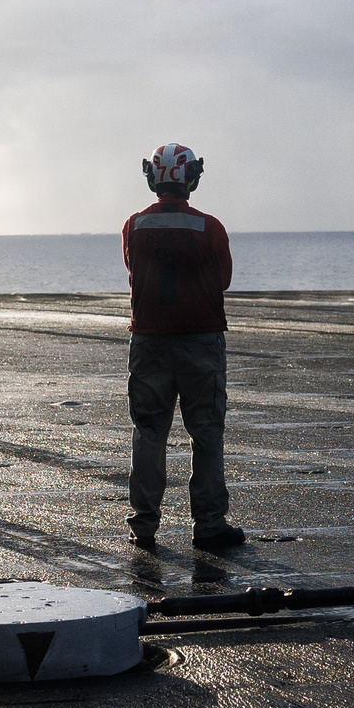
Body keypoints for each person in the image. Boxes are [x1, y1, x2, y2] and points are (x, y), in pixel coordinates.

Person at [121, 142, 245, 551]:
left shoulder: (133, 226)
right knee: (206, 433)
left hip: (149, 342)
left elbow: (131, 269)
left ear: (153, 178)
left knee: (149, 433)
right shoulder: (210, 228)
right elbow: (223, 280)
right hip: (201, 342)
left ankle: (144, 525)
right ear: (191, 177)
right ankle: (209, 524)